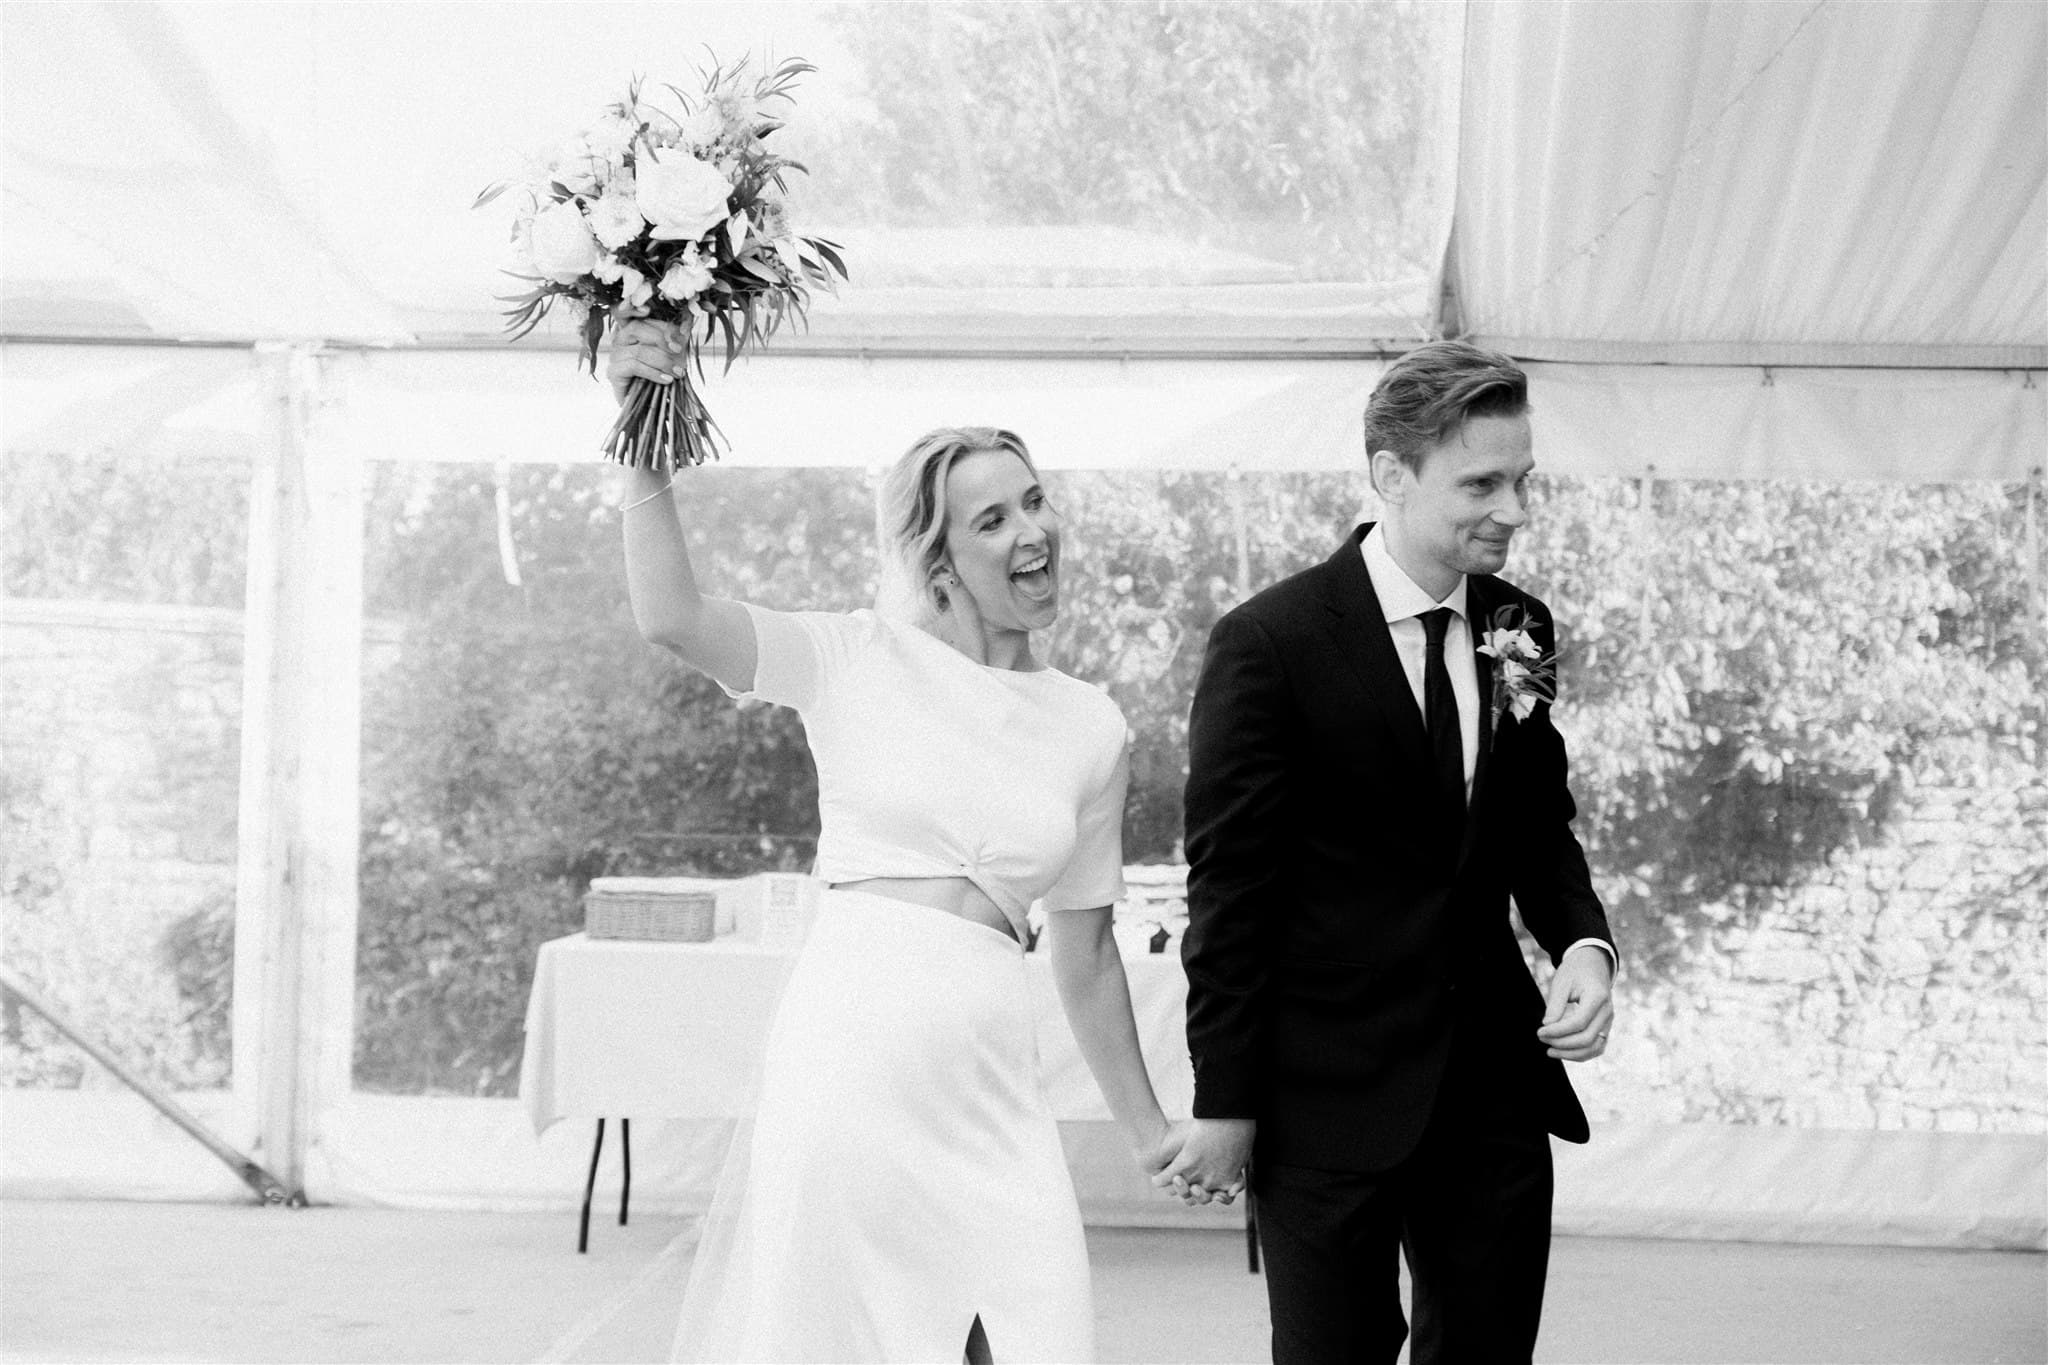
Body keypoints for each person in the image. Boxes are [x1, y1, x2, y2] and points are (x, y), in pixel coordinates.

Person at [605, 318, 1186, 1364]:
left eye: (1034, 500)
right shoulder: (851, 657)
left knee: (1034, 1324)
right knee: (852, 1334)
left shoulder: (1091, 724)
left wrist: (1148, 1130)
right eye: (992, 518)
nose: (1031, 532)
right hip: (854, 1053)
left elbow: (1086, 951)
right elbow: (673, 618)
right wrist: (639, 444)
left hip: (993, 1081)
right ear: (940, 555)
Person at [1160, 340, 1618, 1363]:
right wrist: (1224, 1103)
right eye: (1482, 484)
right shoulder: (1268, 643)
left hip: (1491, 1089)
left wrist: (1584, 945)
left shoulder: (1519, 630)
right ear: (1389, 475)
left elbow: (1534, 821)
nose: (1513, 510)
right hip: (1321, 1098)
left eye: (1521, 480)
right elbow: (1229, 893)